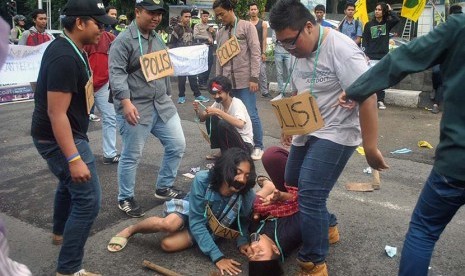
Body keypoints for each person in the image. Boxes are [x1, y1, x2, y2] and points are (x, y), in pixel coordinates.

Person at [340, 12, 465, 276]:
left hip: (455, 163)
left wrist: (357, 89)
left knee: (423, 230)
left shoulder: (459, 27)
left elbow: (402, 58)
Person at [269, 0, 388, 274]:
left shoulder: (341, 49)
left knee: (310, 193)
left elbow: (369, 94)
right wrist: (290, 125)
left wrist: (370, 147)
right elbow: (301, 91)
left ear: (309, 27)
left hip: (337, 131)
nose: (288, 49)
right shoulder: (299, 50)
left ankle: (313, 261)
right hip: (309, 127)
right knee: (293, 181)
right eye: (282, 44)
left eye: (290, 42)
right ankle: (328, 224)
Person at [30, 0, 116, 274]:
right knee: (88, 200)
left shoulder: (71, 48)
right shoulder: (65, 57)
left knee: (69, 184)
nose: (102, 30)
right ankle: (69, 270)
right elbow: (57, 114)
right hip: (58, 138)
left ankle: (60, 232)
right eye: (98, 24)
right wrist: (74, 157)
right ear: (80, 23)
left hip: (62, 133)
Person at [107, 148, 256, 276]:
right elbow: (197, 220)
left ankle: (198, 236)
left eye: (247, 175)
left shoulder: (247, 193)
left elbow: (242, 221)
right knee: (169, 224)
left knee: (167, 245)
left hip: (214, 223)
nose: (242, 179)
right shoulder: (203, 179)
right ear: (226, 170)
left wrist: (242, 241)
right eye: (237, 172)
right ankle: (131, 230)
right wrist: (217, 257)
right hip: (192, 209)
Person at [109, 0, 187, 218]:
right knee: (131, 155)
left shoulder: (157, 38)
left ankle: (164, 187)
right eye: (151, 13)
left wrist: (169, 95)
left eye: (159, 14)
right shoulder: (123, 41)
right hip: (136, 106)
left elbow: (163, 68)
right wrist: (125, 103)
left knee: (177, 145)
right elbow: (116, 74)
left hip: (162, 104)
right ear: (137, 12)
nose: (156, 17)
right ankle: (125, 198)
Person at [213, 0, 265, 161]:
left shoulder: (246, 27)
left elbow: (256, 53)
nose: (220, 18)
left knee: (251, 113)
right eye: (217, 15)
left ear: (231, 9)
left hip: (245, 81)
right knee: (225, 115)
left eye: (222, 14)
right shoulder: (220, 32)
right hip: (227, 83)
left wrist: (254, 78)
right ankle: (226, 148)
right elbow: (219, 59)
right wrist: (218, 83)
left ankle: (258, 146)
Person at [83, 8, 120, 165]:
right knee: (79, 122)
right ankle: (76, 155)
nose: (103, 28)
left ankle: (110, 154)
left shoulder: (111, 38)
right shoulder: (85, 40)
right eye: (101, 24)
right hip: (85, 86)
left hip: (103, 85)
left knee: (110, 118)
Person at [193, 76, 254, 157]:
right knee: (211, 117)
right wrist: (197, 111)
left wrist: (219, 112)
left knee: (222, 123)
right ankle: (224, 150)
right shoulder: (218, 103)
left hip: (244, 146)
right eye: (214, 94)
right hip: (232, 144)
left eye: (220, 93)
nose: (217, 96)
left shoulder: (237, 103)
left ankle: (226, 154)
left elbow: (240, 124)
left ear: (227, 91)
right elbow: (202, 118)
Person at [362, 2, 399, 110]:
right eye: (376, 9)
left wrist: (390, 10)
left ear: (383, 12)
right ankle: (369, 100)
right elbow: (365, 40)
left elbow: (397, 19)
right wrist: (365, 54)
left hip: (383, 56)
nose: (377, 11)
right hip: (370, 57)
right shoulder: (368, 24)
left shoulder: (387, 23)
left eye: (379, 10)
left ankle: (380, 100)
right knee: (370, 79)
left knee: (381, 80)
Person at [169, 9, 210, 104]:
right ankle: (181, 96)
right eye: (186, 16)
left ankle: (197, 95)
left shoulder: (190, 29)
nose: (188, 18)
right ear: (181, 17)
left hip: (190, 58)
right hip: (180, 59)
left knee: (193, 76)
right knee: (181, 78)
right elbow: (171, 44)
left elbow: (193, 43)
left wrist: (202, 46)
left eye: (189, 17)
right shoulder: (176, 29)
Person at [249, 3, 271, 98]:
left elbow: (264, 39)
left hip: (259, 52)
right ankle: (249, 90)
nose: (253, 11)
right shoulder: (247, 24)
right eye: (251, 9)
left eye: (255, 9)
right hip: (248, 52)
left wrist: (263, 53)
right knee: (248, 72)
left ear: (257, 10)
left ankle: (265, 91)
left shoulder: (263, 23)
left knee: (262, 72)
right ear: (249, 11)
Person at [194, 9, 215, 90]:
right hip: (201, 47)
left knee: (209, 64)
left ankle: (205, 82)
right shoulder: (197, 26)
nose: (205, 18)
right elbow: (195, 36)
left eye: (207, 16)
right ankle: (201, 82)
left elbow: (213, 38)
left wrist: (213, 33)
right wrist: (206, 37)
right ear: (201, 17)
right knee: (202, 64)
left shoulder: (209, 27)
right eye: (204, 16)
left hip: (209, 47)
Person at [271, 29, 292, 94]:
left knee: (290, 71)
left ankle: (292, 90)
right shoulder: (275, 28)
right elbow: (274, 39)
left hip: (288, 52)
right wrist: (284, 41)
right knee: (279, 72)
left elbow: (290, 39)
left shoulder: (288, 26)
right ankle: (281, 90)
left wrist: (281, 40)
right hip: (278, 52)